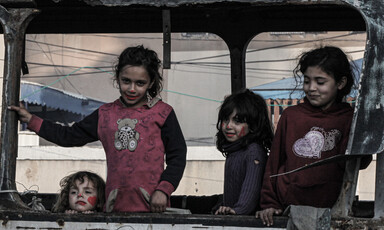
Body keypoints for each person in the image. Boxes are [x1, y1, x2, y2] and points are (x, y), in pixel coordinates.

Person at [9, 45, 187, 213]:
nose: (132, 89)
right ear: (117, 78)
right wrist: (31, 120)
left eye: (140, 83)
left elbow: (178, 155)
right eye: (126, 81)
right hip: (112, 209)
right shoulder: (105, 114)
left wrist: (164, 190)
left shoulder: (163, 113)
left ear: (151, 82)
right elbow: (69, 136)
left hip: (153, 208)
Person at [255, 46, 359, 226]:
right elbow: (274, 163)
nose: (311, 88)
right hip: (288, 205)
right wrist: (269, 203)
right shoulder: (291, 115)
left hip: (329, 208)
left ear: (340, 83)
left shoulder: (349, 119)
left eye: (320, 82)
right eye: (307, 81)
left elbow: (356, 164)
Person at [214, 89, 274, 215]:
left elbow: (250, 194)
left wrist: (236, 211)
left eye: (237, 121)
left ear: (253, 125)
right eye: (226, 119)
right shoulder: (234, 150)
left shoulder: (253, 152)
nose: (228, 126)